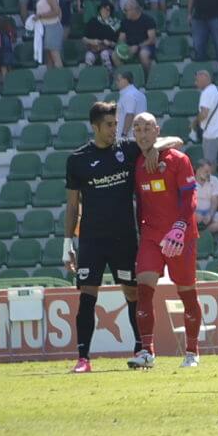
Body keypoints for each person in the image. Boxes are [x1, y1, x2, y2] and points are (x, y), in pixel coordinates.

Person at [63, 102, 181, 373]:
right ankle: (83, 359)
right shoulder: (78, 159)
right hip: (92, 239)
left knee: (132, 293)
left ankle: (141, 349)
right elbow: (72, 205)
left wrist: (155, 149)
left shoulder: (127, 149)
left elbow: (176, 140)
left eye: (116, 124)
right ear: (95, 127)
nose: (114, 129)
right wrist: (67, 244)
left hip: (124, 237)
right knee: (87, 295)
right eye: (109, 125)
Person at [128, 112, 201, 369]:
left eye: (147, 128)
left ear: (156, 130)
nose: (142, 133)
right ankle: (147, 351)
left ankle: (192, 352)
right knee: (143, 288)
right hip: (151, 235)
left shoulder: (179, 160)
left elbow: (190, 197)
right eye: (137, 128)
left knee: (187, 294)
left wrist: (181, 226)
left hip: (181, 235)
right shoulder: (133, 160)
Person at [194, 70, 218, 172]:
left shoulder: (206, 92)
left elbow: (204, 113)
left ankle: (211, 186)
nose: (195, 83)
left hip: (211, 133)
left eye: (197, 80)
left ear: (204, 79)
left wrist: (194, 122)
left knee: (210, 164)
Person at [113, 0, 157, 73]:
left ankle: (148, 78)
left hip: (145, 46)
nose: (124, 12)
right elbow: (121, 39)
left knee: (143, 54)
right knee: (115, 55)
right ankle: (126, 76)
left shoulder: (148, 20)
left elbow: (152, 39)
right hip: (129, 47)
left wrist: (138, 46)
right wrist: (124, 47)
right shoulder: (124, 22)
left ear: (134, 10)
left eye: (126, 10)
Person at [33, 0, 64, 68]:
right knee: (49, 58)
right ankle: (51, 80)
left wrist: (40, 16)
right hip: (47, 27)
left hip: (52, 27)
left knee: (55, 57)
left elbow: (56, 11)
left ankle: (62, 81)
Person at [83, 1, 119, 72]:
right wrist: (92, 41)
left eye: (108, 10)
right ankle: (88, 76)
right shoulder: (93, 21)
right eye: (103, 9)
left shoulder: (115, 23)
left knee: (104, 54)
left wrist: (109, 43)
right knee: (89, 57)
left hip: (108, 49)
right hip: (93, 48)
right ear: (100, 10)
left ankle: (109, 75)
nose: (106, 11)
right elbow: (84, 38)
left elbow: (118, 42)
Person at [194, 159, 218, 233]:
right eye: (206, 171)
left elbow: (215, 200)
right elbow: (186, 202)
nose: (209, 174)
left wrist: (211, 215)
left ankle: (204, 234)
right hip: (194, 212)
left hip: (209, 212)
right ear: (198, 170)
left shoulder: (214, 180)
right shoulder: (189, 180)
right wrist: (195, 213)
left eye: (210, 171)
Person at [115, 70, 146, 138]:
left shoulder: (128, 95)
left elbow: (129, 115)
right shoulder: (140, 95)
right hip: (138, 136)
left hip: (129, 138)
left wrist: (124, 135)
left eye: (118, 80)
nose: (116, 82)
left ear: (125, 80)